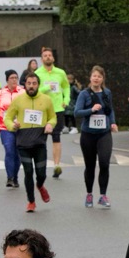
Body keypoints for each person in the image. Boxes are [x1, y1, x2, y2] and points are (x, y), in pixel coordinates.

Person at [3, 71, 56, 213]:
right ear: (25, 85)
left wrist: (50, 124)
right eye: (29, 83)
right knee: (28, 172)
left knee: (41, 173)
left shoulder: (46, 99)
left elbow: (53, 117)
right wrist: (12, 126)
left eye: (34, 83)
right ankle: (31, 201)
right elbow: (7, 118)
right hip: (23, 142)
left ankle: (40, 185)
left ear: (38, 85)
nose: (31, 86)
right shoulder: (18, 100)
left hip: (39, 142)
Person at [74, 65, 118, 209]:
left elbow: (110, 110)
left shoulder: (107, 93)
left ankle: (103, 195)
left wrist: (113, 123)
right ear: (90, 78)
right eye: (94, 76)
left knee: (104, 163)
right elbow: (77, 112)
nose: (96, 79)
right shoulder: (84, 94)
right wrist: (91, 110)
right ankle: (89, 194)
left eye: (99, 76)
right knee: (90, 166)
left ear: (102, 79)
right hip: (88, 135)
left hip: (104, 134)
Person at [36, 46, 70, 178]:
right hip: (42, 109)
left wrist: (66, 100)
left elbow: (66, 87)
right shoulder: (38, 73)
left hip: (58, 109)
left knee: (56, 136)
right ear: (41, 59)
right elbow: (34, 90)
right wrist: (46, 88)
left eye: (49, 55)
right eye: (45, 56)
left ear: (53, 58)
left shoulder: (60, 73)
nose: (48, 57)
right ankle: (42, 165)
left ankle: (56, 165)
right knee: (41, 139)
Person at [0, 70, 23, 187]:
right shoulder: (1, 92)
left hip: (20, 127)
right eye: (12, 78)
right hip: (4, 126)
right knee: (9, 150)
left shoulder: (22, 92)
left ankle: (15, 177)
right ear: (7, 80)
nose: (14, 80)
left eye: (16, 77)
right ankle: (10, 177)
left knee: (17, 153)